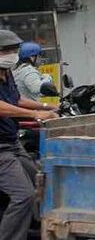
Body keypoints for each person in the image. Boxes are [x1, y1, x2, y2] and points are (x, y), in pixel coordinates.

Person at [0, 30, 58, 240]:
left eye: (14, 49)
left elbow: (16, 99)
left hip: (12, 142)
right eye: (6, 50)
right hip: (1, 150)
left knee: (41, 181)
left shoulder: (7, 74)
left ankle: (40, 230)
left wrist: (47, 106)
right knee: (23, 195)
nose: (11, 54)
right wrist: (35, 114)